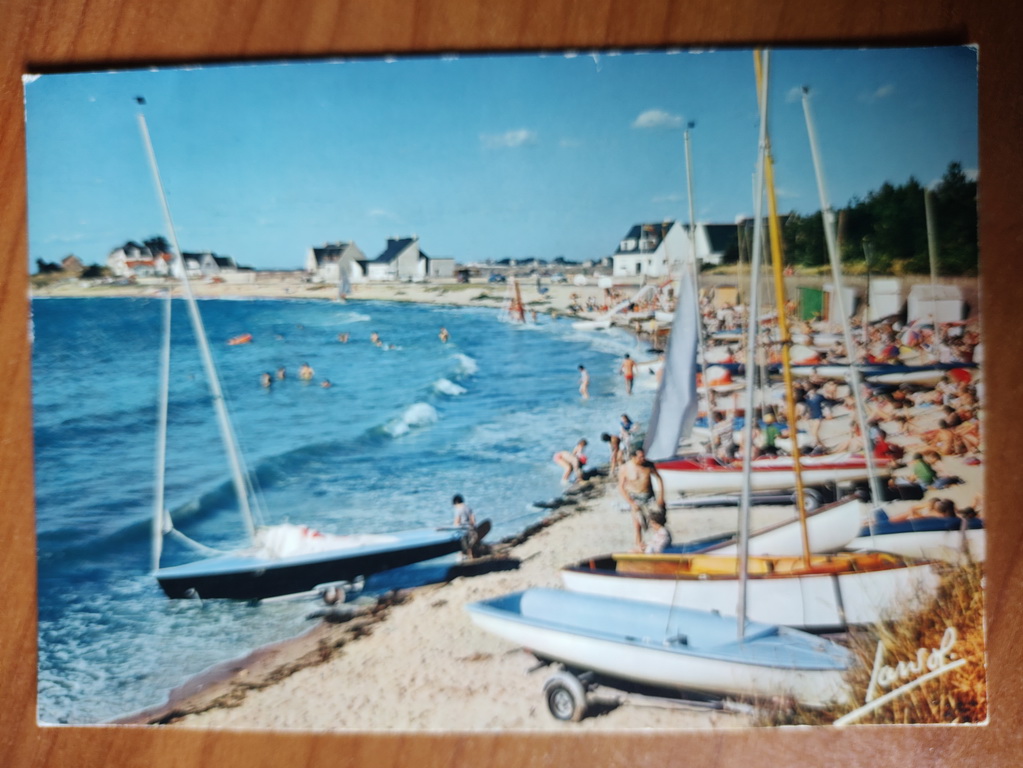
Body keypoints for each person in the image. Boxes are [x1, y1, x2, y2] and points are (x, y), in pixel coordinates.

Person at [618, 447, 666, 549]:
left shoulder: (649, 465)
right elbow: (621, 488)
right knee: (637, 523)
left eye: (644, 456)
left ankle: (660, 541)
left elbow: (659, 479)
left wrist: (661, 496)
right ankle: (638, 544)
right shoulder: (625, 468)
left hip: (649, 496)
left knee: (657, 519)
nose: (643, 458)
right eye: (640, 457)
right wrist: (631, 503)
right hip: (635, 498)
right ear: (633, 457)